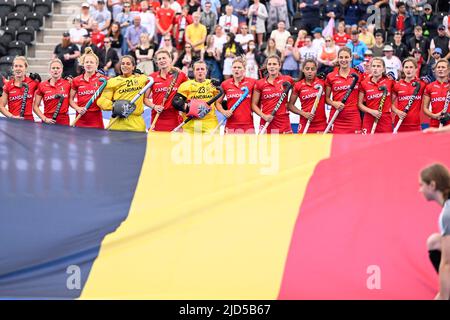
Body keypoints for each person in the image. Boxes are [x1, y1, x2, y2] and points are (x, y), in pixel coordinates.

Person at [419, 163, 450, 300]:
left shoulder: (447, 214)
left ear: (432, 185)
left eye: (421, 185)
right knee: (434, 242)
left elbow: (447, 262)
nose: (420, 190)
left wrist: (443, 296)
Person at [97, 55, 150, 132]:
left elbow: (155, 78)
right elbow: (102, 100)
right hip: (117, 124)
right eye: (123, 63)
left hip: (136, 125)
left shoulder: (142, 78)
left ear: (133, 67)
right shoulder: (112, 81)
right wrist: (114, 106)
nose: (125, 66)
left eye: (128, 64)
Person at [172, 60, 222, 133]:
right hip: (191, 124)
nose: (200, 71)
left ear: (206, 71)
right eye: (197, 69)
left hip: (210, 124)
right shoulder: (186, 85)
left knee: (212, 144)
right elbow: (176, 102)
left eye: (202, 69)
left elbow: (220, 102)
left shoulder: (213, 84)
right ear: (194, 71)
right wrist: (189, 108)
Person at [144, 49, 188, 131]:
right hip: (157, 118)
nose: (162, 60)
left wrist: (184, 105)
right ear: (156, 62)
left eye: (164, 58)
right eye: (159, 59)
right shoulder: (152, 77)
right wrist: (154, 106)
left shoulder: (180, 75)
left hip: (175, 118)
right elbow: (145, 99)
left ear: (170, 59)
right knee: (158, 143)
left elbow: (190, 91)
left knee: (175, 144)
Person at [252, 55, 294, 134]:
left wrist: (289, 104)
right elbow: (253, 105)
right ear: (267, 66)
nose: (272, 66)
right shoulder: (260, 83)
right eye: (270, 64)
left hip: (283, 123)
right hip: (266, 122)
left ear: (279, 66)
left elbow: (298, 90)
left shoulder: (288, 79)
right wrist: (264, 116)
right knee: (265, 146)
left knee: (286, 146)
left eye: (274, 64)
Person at [325, 47, 362, 134]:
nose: (343, 60)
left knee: (355, 145)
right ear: (338, 58)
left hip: (353, 116)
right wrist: (334, 103)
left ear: (350, 58)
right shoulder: (331, 76)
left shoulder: (358, 74)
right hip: (336, 116)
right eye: (341, 57)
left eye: (346, 57)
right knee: (335, 145)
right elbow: (326, 99)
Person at [216, 57, 256, 133]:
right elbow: (218, 103)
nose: (236, 69)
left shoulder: (252, 82)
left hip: (248, 125)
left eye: (239, 67)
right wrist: (224, 112)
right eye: (234, 67)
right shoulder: (225, 84)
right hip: (231, 125)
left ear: (244, 69)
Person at [70, 47, 107, 129]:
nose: (89, 64)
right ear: (83, 64)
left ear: (96, 65)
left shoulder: (103, 79)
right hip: (80, 118)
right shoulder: (76, 80)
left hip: (96, 119)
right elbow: (70, 99)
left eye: (91, 62)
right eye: (86, 62)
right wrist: (77, 108)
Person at [287, 59, 327, 134]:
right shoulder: (298, 85)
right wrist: (303, 113)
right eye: (307, 69)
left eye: (312, 69)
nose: (310, 71)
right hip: (305, 123)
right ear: (303, 70)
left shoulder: (322, 83)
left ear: (316, 70)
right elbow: (290, 106)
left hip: (321, 124)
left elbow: (328, 99)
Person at [358, 57, 394, 134]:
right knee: (367, 144)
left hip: (385, 120)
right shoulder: (364, 83)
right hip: (369, 119)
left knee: (386, 145)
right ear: (370, 68)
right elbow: (360, 104)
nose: (375, 68)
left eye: (378, 66)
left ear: (383, 69)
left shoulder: (390, 81)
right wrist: (371, 111)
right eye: (373, 66)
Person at [391, 58, 426, 132]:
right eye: (406, 67)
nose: (408, 70)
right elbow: (389, 103)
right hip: (399, 124)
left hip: (415, 125)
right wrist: (397, 112)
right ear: (403, 69)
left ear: (416, 69)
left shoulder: (422, 84)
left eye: (411, 67)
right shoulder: (398, 85)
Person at [0, 56, 40, 121]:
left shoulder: (33, 82)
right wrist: (12, 116)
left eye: (21, 66)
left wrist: (40, 82)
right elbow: (1, 106)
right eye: (16, 66)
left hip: (29, 122)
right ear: (13, 68)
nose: (18, 68)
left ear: (26, 68)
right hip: (13, 123)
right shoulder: (8, 85)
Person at [32, 59, 71, 126]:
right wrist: (44, 119)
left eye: (58, 68)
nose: (55, 70)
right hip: (48, 120)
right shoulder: (42, 85)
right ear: (50, 70)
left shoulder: (68, 84)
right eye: (53, 68)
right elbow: (35, 106)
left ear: (61, 69)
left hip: (64, 120)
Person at [422, 59, 450, 129]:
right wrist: (435, 116)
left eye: (443, 67)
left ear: (448, 70)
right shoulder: (429, 87)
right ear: (434, 70)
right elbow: (425, 108)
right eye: (438, 67)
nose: (440, 69)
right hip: (434, 125)